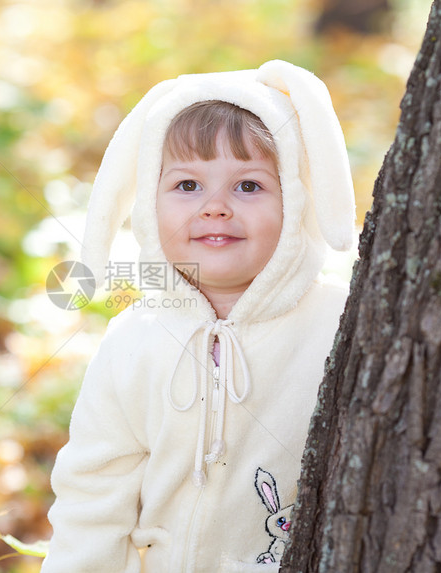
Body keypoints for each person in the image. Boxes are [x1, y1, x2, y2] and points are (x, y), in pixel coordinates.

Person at [41, 60, 356, 573]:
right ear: (148, 205)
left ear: (296, 202)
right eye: (188, 186)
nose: (215, 207)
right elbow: (94, 493)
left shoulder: (337, 327)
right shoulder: (134, 339)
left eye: (248, 186)